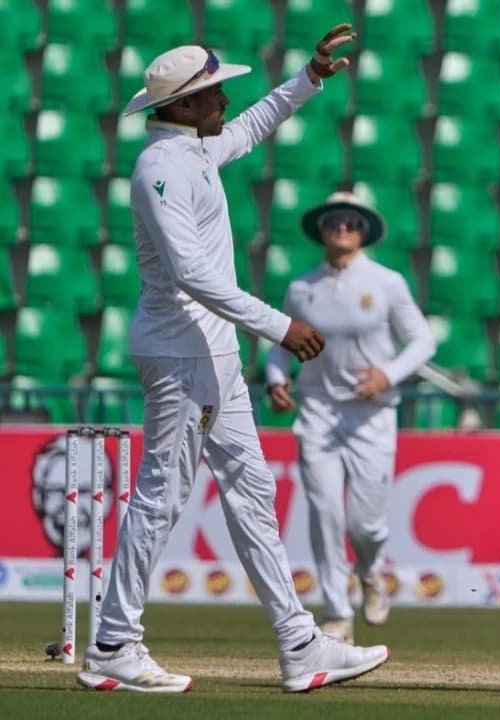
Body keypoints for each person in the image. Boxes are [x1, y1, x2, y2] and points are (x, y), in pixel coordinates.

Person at [81, 28, 389, 694]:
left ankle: (299, 643)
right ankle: (112, 644)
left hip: (210, 351)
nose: (224, 98)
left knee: (252, 491)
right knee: (162, 494)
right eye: (214, 90)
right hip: (181, 350)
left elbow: (252, 127)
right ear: (183, 105)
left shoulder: (194, 147)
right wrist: (279, 327)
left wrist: (309, 77)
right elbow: (190, 273)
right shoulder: (161, 168)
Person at [265, 191, 436, 643]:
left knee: (365, 524)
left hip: (371, 416)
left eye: (352, 221)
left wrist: (387, 375)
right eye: (334, 221)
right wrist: (276, 380)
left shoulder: (387, 283)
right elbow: (281, 342)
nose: (342, 227)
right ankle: (336, 611)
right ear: (321, 228)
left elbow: (423, 341)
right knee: (324, 511)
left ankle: (370, 570)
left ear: (363, 231)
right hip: (318, 410)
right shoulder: (301, 288)